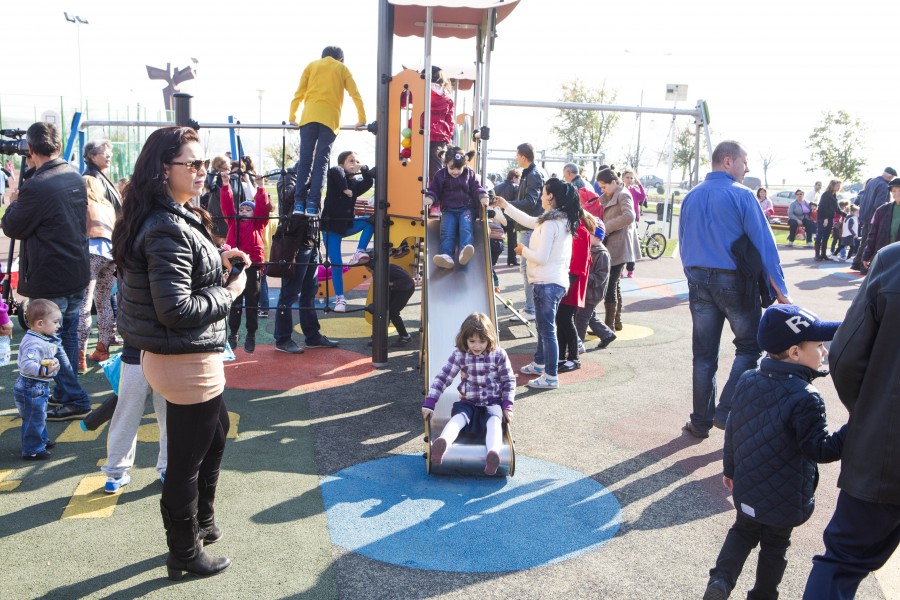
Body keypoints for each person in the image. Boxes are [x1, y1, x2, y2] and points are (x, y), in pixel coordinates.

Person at [112, 126, 249, 579]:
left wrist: (218, 261)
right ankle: (184, 552)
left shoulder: (174, 215)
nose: (201, 172)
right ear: (161, 169)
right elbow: (176, 309)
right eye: (191, 164)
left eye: (203, 163)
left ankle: (201, 525)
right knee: (186, 459)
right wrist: (230, 291)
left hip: (186, 353)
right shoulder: (166, 224)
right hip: (182, 356)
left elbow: (182, 279)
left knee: (215, 434)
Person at [703, 305, 846, 600]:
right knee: (775, 545)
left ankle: (721, 581)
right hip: (785, 495)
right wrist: (857, 424)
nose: (823, 351)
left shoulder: (747, 379)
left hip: (748, 485)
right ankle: (764, 594)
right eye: (818, 346)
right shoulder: (806, 398)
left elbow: (733, 431)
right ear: (794, 352)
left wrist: (730, 469)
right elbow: (820, 449)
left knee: (742, 531)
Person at [802, 243, 900, 599]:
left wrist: (870, 412)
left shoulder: (893, 261)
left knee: (842, 561)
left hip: (885, 450)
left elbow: (844, 354)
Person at [679, 140, 791, 439]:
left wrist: (693, 274)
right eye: (745, 161)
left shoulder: (690, 197)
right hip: (734, 282)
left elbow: (683, 243)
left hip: (698, 280)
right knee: (749, 346)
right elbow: (765, 244)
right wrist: (780, 289)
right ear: (727, 161)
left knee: (703, 355)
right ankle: (725, 410)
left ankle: (700, 421)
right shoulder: (742, 195)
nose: (748, 167)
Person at [1, 121, 92, 422]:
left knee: (50, 340)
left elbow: (12, 225)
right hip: (75, 270)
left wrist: (14, 200)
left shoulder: (37, 186)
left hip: (50, 275)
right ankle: (68, 393)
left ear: (29, 149)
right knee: (64, 335)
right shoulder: (73, 175)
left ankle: (75, 397)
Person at [493, 177, 580, 389]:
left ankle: (550, 375)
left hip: (547, 282)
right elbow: (528, 220)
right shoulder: (556, 221)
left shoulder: (551, 224)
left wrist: (523, 251)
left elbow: (541, 257)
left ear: (551, 197)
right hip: (552, 282)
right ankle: (540, 363)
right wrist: (505, 206)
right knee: (543, 328)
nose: (541, 196)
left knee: (547, 330)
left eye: (543, 192)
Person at [422, 312, 515, 475]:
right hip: (468, 403)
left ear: (490, 339)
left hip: (492, 403)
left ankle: (492, 454)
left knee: (494, 421)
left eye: (482, 341)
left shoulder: (498, 354)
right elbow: (443, 377)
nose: (477, 346)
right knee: (457, 418)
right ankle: (442, 443)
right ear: (464, 339)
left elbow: (508, 381)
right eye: (472, 341)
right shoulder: (460, 354)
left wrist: (507, 406)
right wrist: (430, 401)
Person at [289, 46, 366, 216]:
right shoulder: (342, 68)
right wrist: (362, 118)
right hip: (329, 120)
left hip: (308, 118)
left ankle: (299, 203)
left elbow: (299, 93)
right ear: (341, 58)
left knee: (305, 161)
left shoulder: (311, 66)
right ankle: (312, 204)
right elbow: (355, 94)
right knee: (321, 162)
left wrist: (292, 115)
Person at [273, 168, 340, 354]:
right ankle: (282, 339)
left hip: (311, 242)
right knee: (290, 293)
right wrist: (310, 181)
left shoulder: (314, 176)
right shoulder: (289, 176)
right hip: (295, 244)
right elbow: (288, 198)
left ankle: (312, 336)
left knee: (309, 293)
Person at [101, 342, 168, 493]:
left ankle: (115, 474)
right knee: (169, 420)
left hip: (134, 357)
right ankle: (168, 469)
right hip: (165, 358)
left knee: (125, 418)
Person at [79, 139, 123, 367]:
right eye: (104, 152)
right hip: (110, 251)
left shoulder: (87, 186)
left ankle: (79, 355)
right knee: (104, 300)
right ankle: (102, 347)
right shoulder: (108, 199)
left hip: (92, 250)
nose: (108, 155)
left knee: (84, 304)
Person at [220, 176, 269, 353]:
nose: (245, 210)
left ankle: (251, 333)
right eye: (242, 208)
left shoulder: (258, 223)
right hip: (235, 264)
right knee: (235, 301)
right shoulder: (233, 222)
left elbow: (263, 208)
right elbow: (226, 206)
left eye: (249, 208)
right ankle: (233, 333)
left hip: (253, 264)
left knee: (252, 301)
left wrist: (261, 188)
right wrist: (226, 186)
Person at [321, 150, 375, 312]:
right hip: (331, 229)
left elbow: (368, 183)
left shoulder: (355, 185)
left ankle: (359, 251)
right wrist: (345, 189)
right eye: (351, 161)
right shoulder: (335, 177)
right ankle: (340, 299)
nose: (355, 164)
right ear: (342, 164)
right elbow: (334, 171)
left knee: (370, 222)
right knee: (336, 264)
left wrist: (364, 169)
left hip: (346, 225)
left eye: (357, 161)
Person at [424, 147, 489, 269]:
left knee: (466, 228)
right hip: (448, 210)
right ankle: (446, 255)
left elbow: (476, 187)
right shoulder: (440, 175)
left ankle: (464, 251)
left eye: (459, 168)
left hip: (466, 208)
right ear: (446, 164)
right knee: (447, 231)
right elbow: (434, 189)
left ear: (464, 165)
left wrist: (482, 196)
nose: (455, 171)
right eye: (452, 168)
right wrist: (430, 198)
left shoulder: (469, 173)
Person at [14, 299, 62, 460]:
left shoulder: (40, 338)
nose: (58, 326)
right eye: (55, 322)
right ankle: (32, 449)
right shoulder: (33, 342)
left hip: (36, 386)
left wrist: (53, 364)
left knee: (38, 415)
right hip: (32, 386)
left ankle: (40, 439)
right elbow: (27, 365)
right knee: (34, 417)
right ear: (40, 323)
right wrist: (45, 370)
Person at [507, 143, 547, 319]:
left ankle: (531, 309)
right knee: (527, 268)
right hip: (527, 225)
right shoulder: (531, 174)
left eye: (517, 155)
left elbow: (531, 202)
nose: (516, 158)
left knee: (528, 268)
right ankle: (532, 308)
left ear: (523, 156)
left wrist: (508, 206)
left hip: (528, 226)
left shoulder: (532, 175)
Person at [596, 168, 638, 332]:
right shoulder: (612, 194)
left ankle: (609, 327)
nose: (602, 190)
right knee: (614, 284)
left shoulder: (623, 194)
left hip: (619, 245)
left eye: (604, 186)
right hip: (613, 243)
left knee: (610, 284)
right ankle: (616, 322)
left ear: (613, 182)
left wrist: (607, 227)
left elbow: (629, 216)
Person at [557, 206, 598, 372]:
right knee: (562, 319)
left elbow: (579, 263)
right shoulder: (576, 228)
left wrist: (567, 284)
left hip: (572, 283)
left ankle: (574, 357)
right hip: (568, 281)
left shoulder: (579, 230)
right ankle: (561, 355)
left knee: (566, 319)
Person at [576, 225, 617, 350]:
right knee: (590, 315)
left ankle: (577, 344)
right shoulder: (591, 248)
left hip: (593, 292)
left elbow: (600, 277)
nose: (587, 236)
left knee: (581, 318)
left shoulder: (602, 254)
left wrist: (583, 274)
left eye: (590, 234)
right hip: (587, 290)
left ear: (598, 237)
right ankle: (607, 334)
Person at [363, 252, 415, 346]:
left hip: (406, 289)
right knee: (383, 309)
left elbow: (407, 280)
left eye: (370, 270)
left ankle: (405, 337)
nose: (370, 272)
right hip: (394, 289)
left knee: (393, 312)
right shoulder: (377, 273)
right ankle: (379, 337)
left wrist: (391, 284)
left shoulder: (390, 269)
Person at [851, 167, 895, 273]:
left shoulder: (872, 181)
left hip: (865, 215)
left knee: (864, 241)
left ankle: (856, 263)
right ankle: (863, 267)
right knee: (870, 242)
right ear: (890, 176)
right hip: (873, 217)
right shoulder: (884, 185)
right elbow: (879, 204)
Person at [859, 177, 900, 270]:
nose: (897, 193)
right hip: (883, 255)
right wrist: (867, 254)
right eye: (894, 190)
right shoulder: (882, 210)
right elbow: (873, 234)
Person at [424, 66, 455, 181]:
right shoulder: (447, 97)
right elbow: (450, 121)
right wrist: (447, 139)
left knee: (417, 164)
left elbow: (402, 101)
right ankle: (434, 193)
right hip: (439, 136)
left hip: (420, 131)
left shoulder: (421, 91)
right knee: (436, 168)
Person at [622, 169, 647, 278]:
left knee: (631, 246)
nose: (630, 180)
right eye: (627, 177)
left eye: (632, 178)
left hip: (633, 221)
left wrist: (639, 184)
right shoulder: (620, 190)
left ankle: (630, 269)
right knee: (622, 246)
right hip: (622, 220)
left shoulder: (634, 190)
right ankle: (619, 270)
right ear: (623, 178)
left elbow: (642, 197)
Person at [493, 168, 521, 265]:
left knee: (497, 238)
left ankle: (493, 259)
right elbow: (518, 202)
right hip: (510, 217)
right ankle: (512, 260)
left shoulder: (498, 186)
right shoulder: (515, 187)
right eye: (518, 178)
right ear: (514, 178)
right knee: (512, 239)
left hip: (499, 217)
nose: (519, 181)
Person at [814, 179, 840, 261]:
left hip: (830, 218)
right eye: (837, 185)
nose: (839, 187)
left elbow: (837, 209)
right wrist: (825, 218)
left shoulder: (834, 195)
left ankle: (823, 254)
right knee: (820, 235)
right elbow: (822, 207)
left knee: (826, 236)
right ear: (832, 186)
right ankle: (817, 255)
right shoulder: (826, 195)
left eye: (839, 186)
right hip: (823, 218)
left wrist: (846, 215)